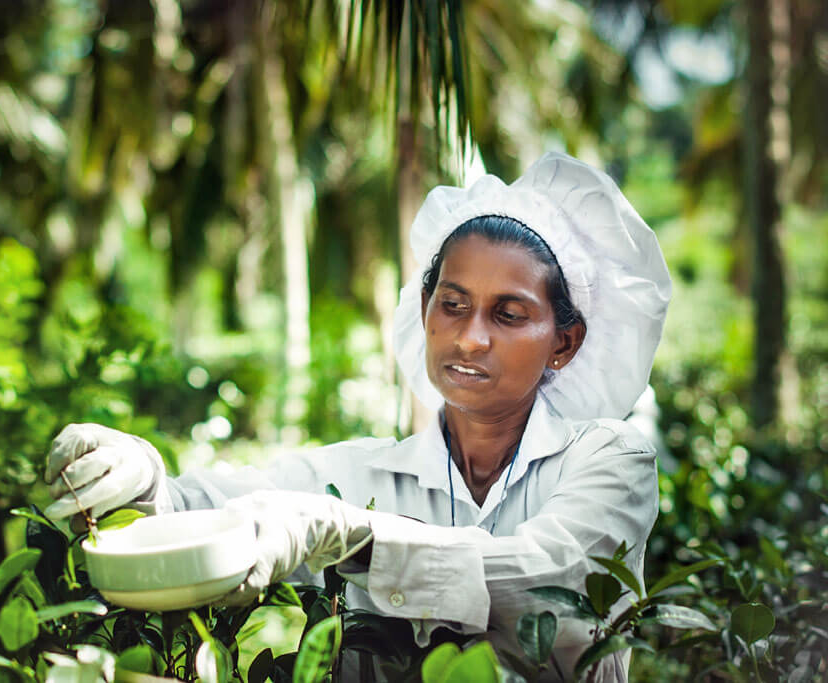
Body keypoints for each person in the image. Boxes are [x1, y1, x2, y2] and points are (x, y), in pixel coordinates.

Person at [43, 152, 672, 681]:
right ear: (424, 310)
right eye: (453, 304)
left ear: (564, 342)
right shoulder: (362, 476)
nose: (470, 337)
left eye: (508, 315)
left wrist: (357, 538)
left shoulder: (608, 459)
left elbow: (555, 584)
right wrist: (139, 476)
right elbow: (200, 510)